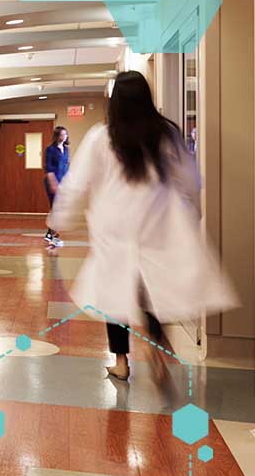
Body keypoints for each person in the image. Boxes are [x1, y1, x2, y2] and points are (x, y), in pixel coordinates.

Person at [48, 71, 237, 382]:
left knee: (114, 294)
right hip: (156, 221)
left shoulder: (102, 136)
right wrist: (191, 212)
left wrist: (60, 220)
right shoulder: (166, 133)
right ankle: (157, 343)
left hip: (114, 225)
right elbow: (189, 179)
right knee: (151, 287)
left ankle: (121, 361)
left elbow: (77, 183)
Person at [43, 126, 70, 247]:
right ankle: (52, 235)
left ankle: (50, 234)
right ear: (57, 136)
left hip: (63, 181)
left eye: (65, 134)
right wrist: (53, 183)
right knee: (56, 208)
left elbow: (66, 167)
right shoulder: (50, 149)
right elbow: (48, 168)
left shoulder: (66, 149)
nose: (64, 137)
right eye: (62, 134)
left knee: (59, 208)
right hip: (52, 181)